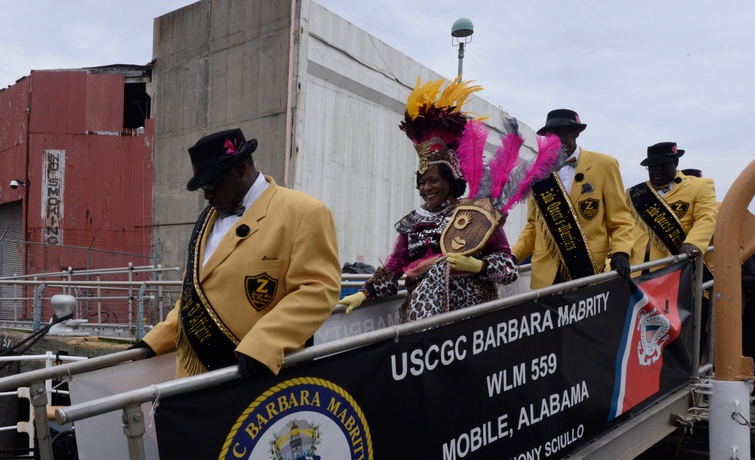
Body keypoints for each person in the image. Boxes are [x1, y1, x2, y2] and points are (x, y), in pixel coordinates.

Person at [340, 78, 562, 322]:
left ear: (451, 181)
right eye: (422, 182)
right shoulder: (412, 223)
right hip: (422, 320)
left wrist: (478, 266)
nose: (427, 188)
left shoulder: (476, 214)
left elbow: (508, 268)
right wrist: (363, 294)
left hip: (473, 319)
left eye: (434, 180)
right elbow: (393, 268)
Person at [135, 128, 340, 378]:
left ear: (242, 168)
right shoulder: (205, 220)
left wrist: (266, 343)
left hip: (259, 375)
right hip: (197, 379)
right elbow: (194, 295)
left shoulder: (304, 213)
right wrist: (154, 341)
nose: (207, 195)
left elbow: (318, 290)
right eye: (203, 188)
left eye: (213, 184)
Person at [512, 109, 636, 288]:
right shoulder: (538, 172)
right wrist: (512, 256)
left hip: (587, 270)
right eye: (550, 135)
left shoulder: (605, 165)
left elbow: (620, 220)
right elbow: (533, 226)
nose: (555, 139)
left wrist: (621, 252)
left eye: (561, 132)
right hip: (546, 277)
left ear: (576, 133)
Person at [626, 142, 718, 269]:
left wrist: (692, 243)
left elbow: (706, 217)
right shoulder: (635, 193)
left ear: (675, 163)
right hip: (637, 266)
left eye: (661, 166)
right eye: (651, 167)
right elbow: (623, 224)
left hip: (674, 264)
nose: (656, 170)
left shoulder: (700, 186)